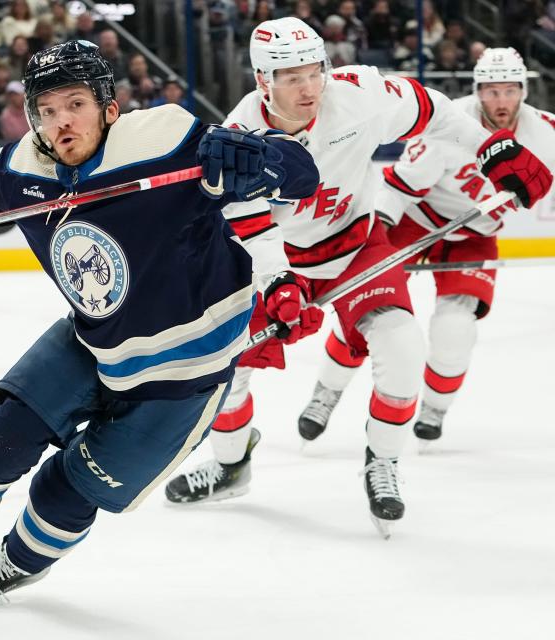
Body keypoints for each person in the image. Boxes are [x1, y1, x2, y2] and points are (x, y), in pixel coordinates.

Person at [0, 39, 318, 615]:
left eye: (74, 104)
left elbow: (300, 174)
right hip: (92, 342)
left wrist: (257, 159)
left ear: (108, 107)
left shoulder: (168, 140)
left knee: (70, 490)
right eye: (45, 110)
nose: (60, 121)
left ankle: (10, 567)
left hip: (185, 378)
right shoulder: (26, 168)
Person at [164, 18, 551, 537]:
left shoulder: (359, 93)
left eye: (314, 72)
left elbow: (431, 109)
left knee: (402, 343)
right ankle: (232, 466)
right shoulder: (239, 139)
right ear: (263, 81)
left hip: (355, 244)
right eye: (292, 77)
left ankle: (383, 460)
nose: (309, 89)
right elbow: (249, 223)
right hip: (278, 260)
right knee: (227, 373)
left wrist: (489, 147)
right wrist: (279, 282)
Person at [320, 48, 555, 445]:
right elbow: (399, 189)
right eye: (492, 91)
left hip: (474, 235)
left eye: (510, 90)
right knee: (367, 310)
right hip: (416, 220)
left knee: (455, 329)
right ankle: (325, 394)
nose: (501, 101)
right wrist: (378, 236)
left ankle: (433, 409)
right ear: (478, 91)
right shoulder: (453, 126)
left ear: (524, 91)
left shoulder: (545, 133)